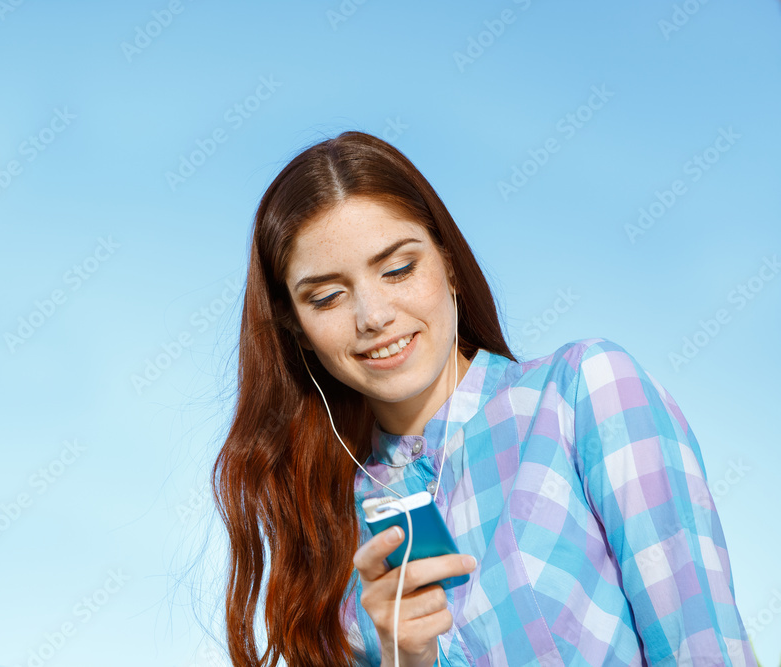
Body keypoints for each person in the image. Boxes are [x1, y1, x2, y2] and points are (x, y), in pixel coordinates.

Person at [211, 130, 754, 666]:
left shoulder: (583, 393)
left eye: (398, 268)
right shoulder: (331, 527)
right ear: (298, 328)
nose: (373, 316)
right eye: (327, 297)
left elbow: (702, 645)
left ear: (447, 261)